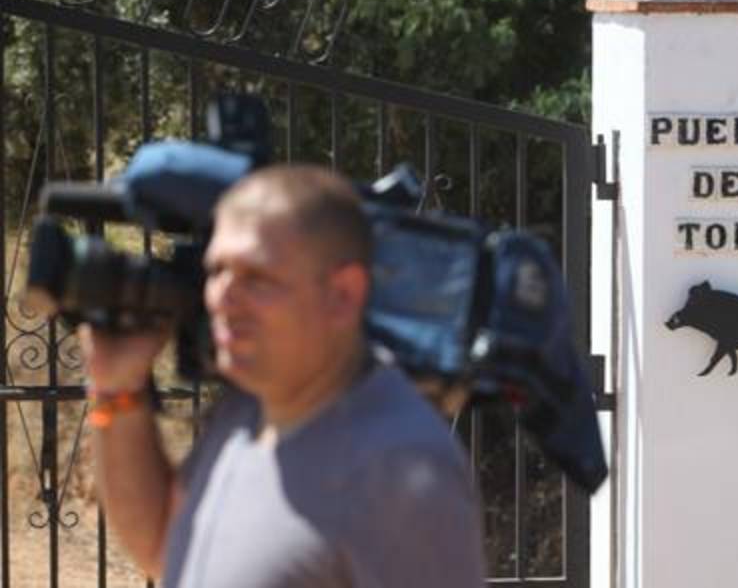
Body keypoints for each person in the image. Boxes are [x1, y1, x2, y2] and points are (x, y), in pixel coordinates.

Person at [79, 165, 485, 587]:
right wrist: (117, 388)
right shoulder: (246, 413)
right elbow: (165, 548)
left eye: (256, 277)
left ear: (342, 295)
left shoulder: (400, 469)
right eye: (217, 270)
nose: (222, 297)